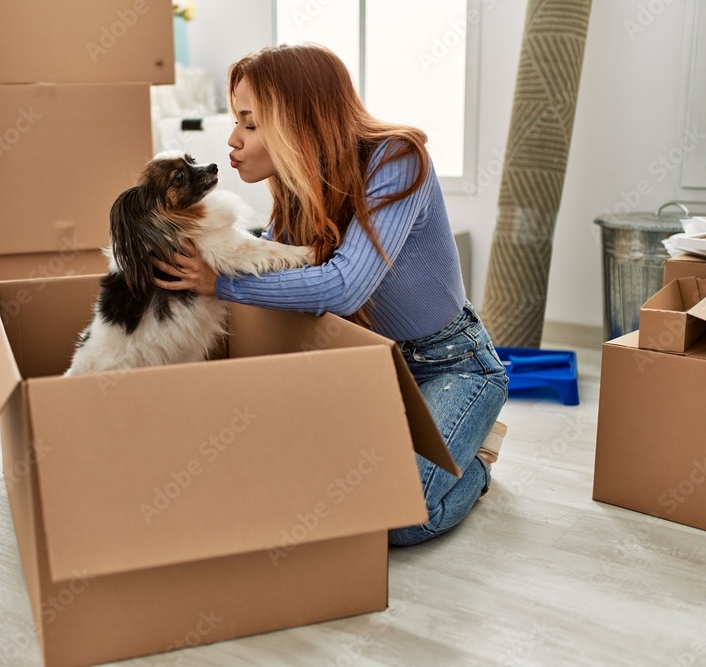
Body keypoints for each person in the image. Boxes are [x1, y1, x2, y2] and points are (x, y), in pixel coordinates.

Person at [152, 43, 508, 545]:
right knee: (317, 489)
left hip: (451, 364)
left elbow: (344, 286)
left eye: (250, 124)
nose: (232, 140)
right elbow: (267, 271)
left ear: (300, 122)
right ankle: (434, 448)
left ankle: (474, 460)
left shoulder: (398, 158)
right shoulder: (294, 195)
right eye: (236, 122)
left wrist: (221, 281)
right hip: (372, 368)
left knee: (401, 519)